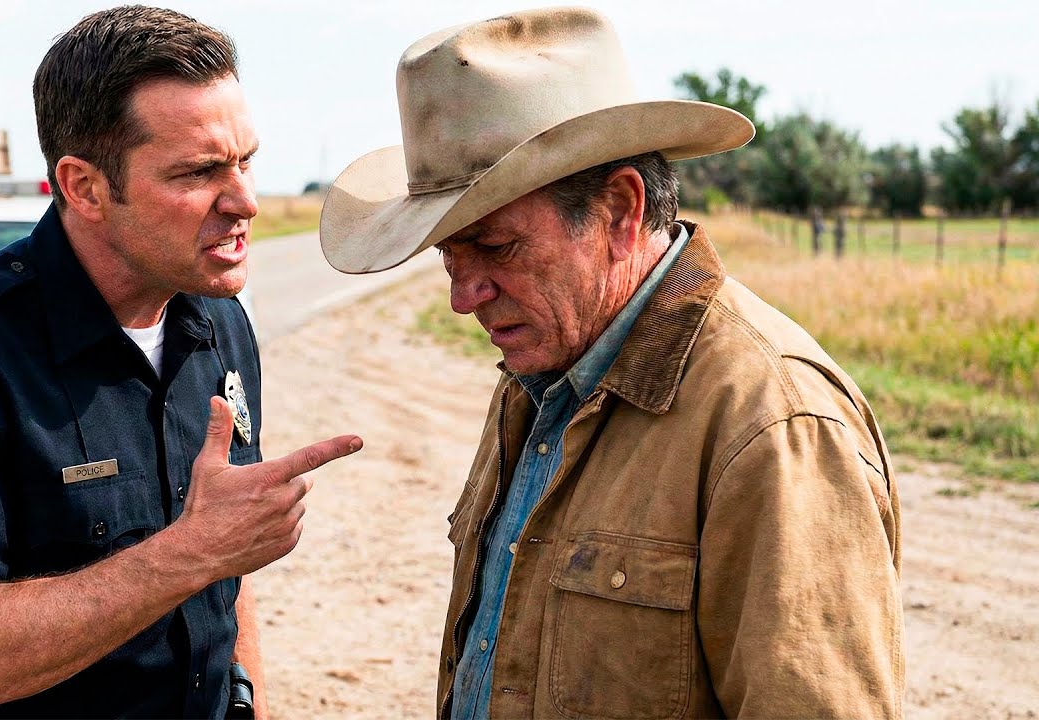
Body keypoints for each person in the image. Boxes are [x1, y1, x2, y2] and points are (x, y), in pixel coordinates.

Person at [319, 8, 902, 719]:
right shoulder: (543, 373)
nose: (462, 297)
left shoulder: (772, 424)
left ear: (621, 212)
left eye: (496, 247)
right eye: (449, 254)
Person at [0, 7, 362, 719]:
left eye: (245, 161)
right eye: (199, 172)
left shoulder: (217, 322)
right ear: (84, 187)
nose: (244, 201)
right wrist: (192, 553)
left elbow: (227, 573)